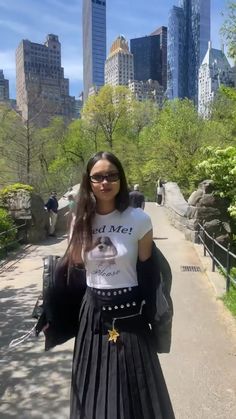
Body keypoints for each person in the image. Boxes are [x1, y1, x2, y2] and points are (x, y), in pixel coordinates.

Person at [63, 151, 175, 419]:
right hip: (93, 313)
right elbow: (75, 268)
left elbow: (148, 272)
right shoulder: (79, 220)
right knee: (94, 387)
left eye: (111, 175)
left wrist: (154, 318)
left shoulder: (139, 220)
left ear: (121, 179)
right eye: (98, 177)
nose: (105, 182)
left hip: (131, 313)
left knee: (137, 389)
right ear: (88, 181)